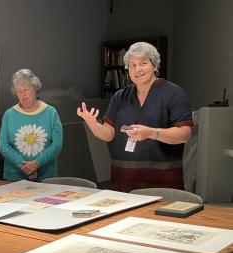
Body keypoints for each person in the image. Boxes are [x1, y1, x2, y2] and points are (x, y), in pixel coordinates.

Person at [77, 42, 193, 192]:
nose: (137, 69)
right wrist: (92, 123)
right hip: (124, 183)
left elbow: (184, 134)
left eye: (143, 63)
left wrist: (152, 133)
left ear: (155, 66)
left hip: (163, 183)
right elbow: (108, 134)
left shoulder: (173, 93)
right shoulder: (120, 96)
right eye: (132, 65)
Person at [0, 69, 63, 182]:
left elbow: (57, 145)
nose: (23, 94)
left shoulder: (51, 112)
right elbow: (4, 147)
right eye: (19, 91)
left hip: (46, 178)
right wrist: (26, 166)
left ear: (35, 89)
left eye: (26, 89)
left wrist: (37, 163)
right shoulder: (9, 114)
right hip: (14, 178)